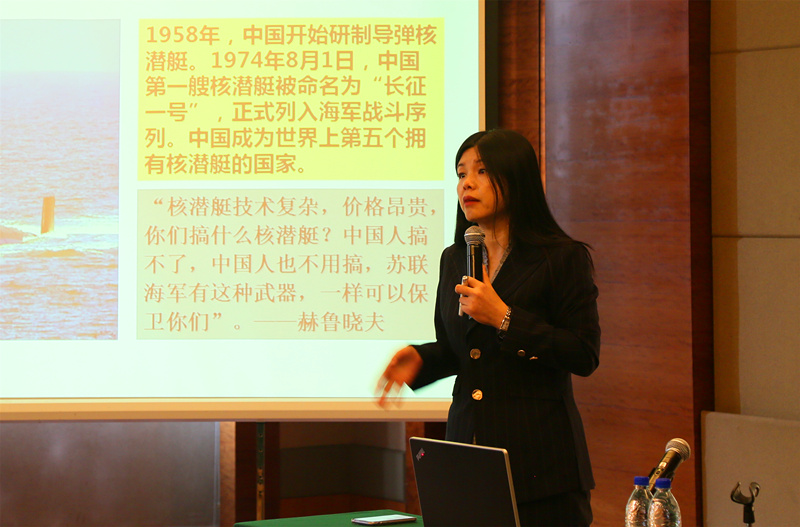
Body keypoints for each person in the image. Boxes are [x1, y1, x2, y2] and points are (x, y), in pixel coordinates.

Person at [377, 129, 600, 526]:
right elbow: (462, 349)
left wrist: (505, 318)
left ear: (516, 178)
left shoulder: (561, 258)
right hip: (469, 458)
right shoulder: (454, 258)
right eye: (461, 173)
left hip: (541, 467)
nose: (467, 183)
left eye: (481, 171)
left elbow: (583, 353)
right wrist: (422, 358)